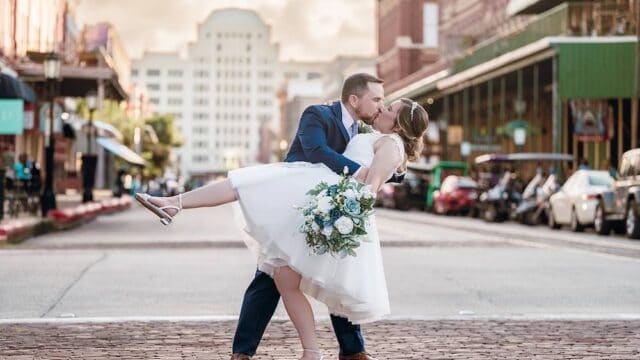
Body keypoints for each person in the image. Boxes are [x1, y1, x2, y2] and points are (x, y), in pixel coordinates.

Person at [137, 75, 429, 359]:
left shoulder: (381, 139)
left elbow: (378, 177)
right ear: (355, 99)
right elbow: (317, 149)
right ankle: (175, 203)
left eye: (387, 106)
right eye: (378, 100)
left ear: (400, 124)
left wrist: (371, 181)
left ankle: (338, 350)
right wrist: (361, 171)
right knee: (273, 260)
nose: (382, 106)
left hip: (323, 202)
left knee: (313, 279)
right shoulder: (322, 114)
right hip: (299, 190)